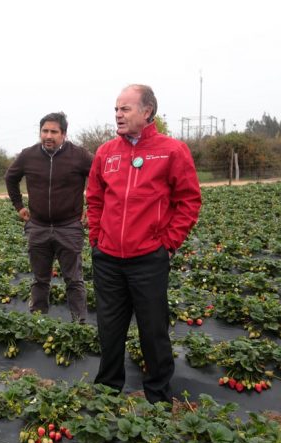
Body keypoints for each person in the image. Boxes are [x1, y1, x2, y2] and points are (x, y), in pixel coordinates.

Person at [86, 85, 202, 404]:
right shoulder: (106, 152)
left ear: (147, 111)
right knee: (109, 330)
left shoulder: (172, 150)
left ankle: (158, 396)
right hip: (108, 258)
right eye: (116, 109)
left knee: (153, 332)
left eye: (125, 109)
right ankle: (107, 391)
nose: (118, 115)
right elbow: (94, 199)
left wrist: (168, 244)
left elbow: (189, 201)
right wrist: (96, 238)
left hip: (148, 259)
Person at [4, 112, 92, 322]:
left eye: (54, 131)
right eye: (45, 131)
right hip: (38, 226)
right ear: (40, 132)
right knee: (40, 278)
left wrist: (92, 207)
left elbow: (100, 178)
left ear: (64, 134)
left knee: (74, 279)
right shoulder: (28, 155)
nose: (48, 136)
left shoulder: (79, 155)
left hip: (69, 226)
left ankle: (79, 322)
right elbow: (10, 178)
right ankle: (38, 320)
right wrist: (18, 205)